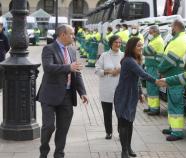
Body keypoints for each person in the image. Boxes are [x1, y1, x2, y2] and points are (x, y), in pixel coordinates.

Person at [37, 24, 89, 158]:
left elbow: (76, 72)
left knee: (63, 128)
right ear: (62, 35)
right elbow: (48, 67)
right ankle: (43, 152)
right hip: (49, 95)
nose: (74, 36)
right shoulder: (48, 49)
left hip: (67, 96)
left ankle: (59, 154)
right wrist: (68, 67)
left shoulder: (72, 50)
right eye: (71, 34)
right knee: (49, 126)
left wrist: (82, 92)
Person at [114, 37, 156, 158]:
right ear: (131, 47)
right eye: (138, 45)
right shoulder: (128, 60)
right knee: (123, 123)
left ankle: (129, 148)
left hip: (131, 95)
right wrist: (157, 81)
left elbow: (136, 79)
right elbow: (143, 75)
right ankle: (124, 151)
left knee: (130, 122)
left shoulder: (137, 59)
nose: (141, 47)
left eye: (142, 45)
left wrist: (140, 92)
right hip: (122, 95)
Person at [158, 19, 186, 141]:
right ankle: (172, 127)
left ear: (176, 27)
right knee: (172, 104)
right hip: (173, 77)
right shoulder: (179, 39)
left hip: (176, 78)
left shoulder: (180, 40)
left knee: (176, 104)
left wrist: (160, 69)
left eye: (171, 26)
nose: (171, 29)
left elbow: (170, 60)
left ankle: (177, 132)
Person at [95, 35, 124, 139]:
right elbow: (97, 70)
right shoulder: (104, 55)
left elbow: (129, 71)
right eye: (116, 42)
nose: (118, 44)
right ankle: (109, 132)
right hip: (106, 89)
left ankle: (121, 131)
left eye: (120, 42)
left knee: (120, 113)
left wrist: (119, 70)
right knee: (107, 112)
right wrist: (108, 71)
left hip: (120, 89)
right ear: (111, 43)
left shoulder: (124, 56)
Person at [142, 25, 164, 115]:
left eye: (150, 33)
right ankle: (151, 107)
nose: (149, 34)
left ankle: (155, 109)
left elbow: (145, 51)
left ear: (155, 32)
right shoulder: (154, 40)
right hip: (151, 66)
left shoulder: (157, 41)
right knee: (150, 88)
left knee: (153, 87)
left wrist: (142, 48)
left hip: (154, 67)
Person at [0, 21, 10, 90]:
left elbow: (7, 47)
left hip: (1, 58)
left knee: (1, 72)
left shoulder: (4, 36)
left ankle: (1, 87)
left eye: (0, 26)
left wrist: (3, 52)